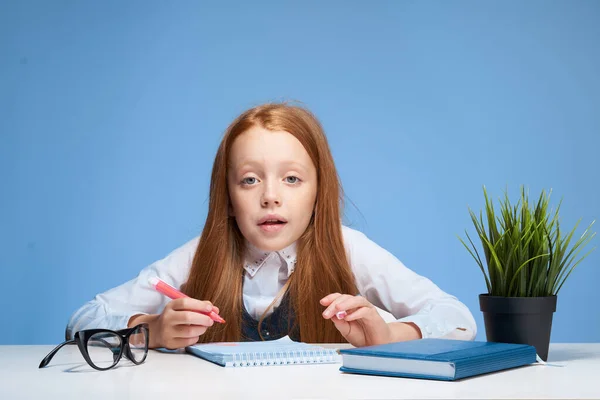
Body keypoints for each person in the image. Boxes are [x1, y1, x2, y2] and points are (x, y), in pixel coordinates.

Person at [66, 102, 476, 349]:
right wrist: (150, 330)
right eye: (249, 179)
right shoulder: (199, 255)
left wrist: (389, 336)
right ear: (226, 198)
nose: (270, 196)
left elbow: (458, 318)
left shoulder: (349, 249)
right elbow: (83, 319)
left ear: (319, 192)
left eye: (292, 179)